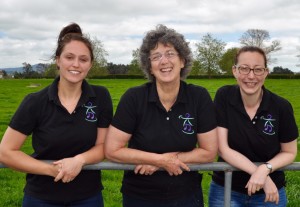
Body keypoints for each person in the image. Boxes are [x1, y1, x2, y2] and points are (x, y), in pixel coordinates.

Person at [104, 24, 218, 207]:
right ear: (150, 67)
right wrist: (159, 160)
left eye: (170, 54)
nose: (164, 61)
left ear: (182, 61)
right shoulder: (133, 98)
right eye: (156, 56)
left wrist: (163, 162)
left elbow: (209, 152)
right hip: (139, 197)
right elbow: (112, 150)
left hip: (186, 196)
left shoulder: (199, 97)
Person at [0, 23, 113, 206]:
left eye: (83, 59)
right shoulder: (35, 101)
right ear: (58, 60)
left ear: (90, 64)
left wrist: (79, 160)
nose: (76, 64)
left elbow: (103, 146)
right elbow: (6, 152)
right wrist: (51, 170)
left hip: (87, 197)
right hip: (41, 197)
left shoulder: (101, 97)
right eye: (69, 57)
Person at [209, 46, 298, 207]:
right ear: (234, 71)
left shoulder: (281, 106)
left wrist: (265, 170)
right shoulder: (224, 96)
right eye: (244, 68)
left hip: (270, 194)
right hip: (227, 189)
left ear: (266, 72)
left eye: (258, 70)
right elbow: (222, 148)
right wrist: (258, 174)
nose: (251, 76)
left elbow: (289, 152)